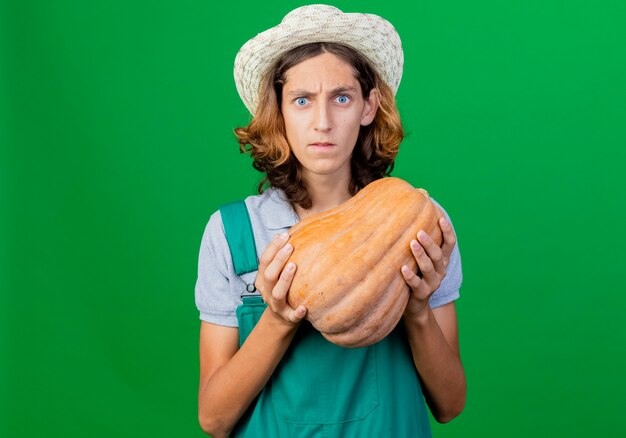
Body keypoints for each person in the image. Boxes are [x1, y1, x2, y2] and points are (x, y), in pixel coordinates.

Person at [195, 5, 465, 437]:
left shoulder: (419, 226)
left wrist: (416, 310)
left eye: (341, 98)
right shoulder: (232, 232)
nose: (322, 123)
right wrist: (279, 319)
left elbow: (450, 405)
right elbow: (214, 418)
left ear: (368, 106)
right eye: (302, 101)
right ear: (279, 111)